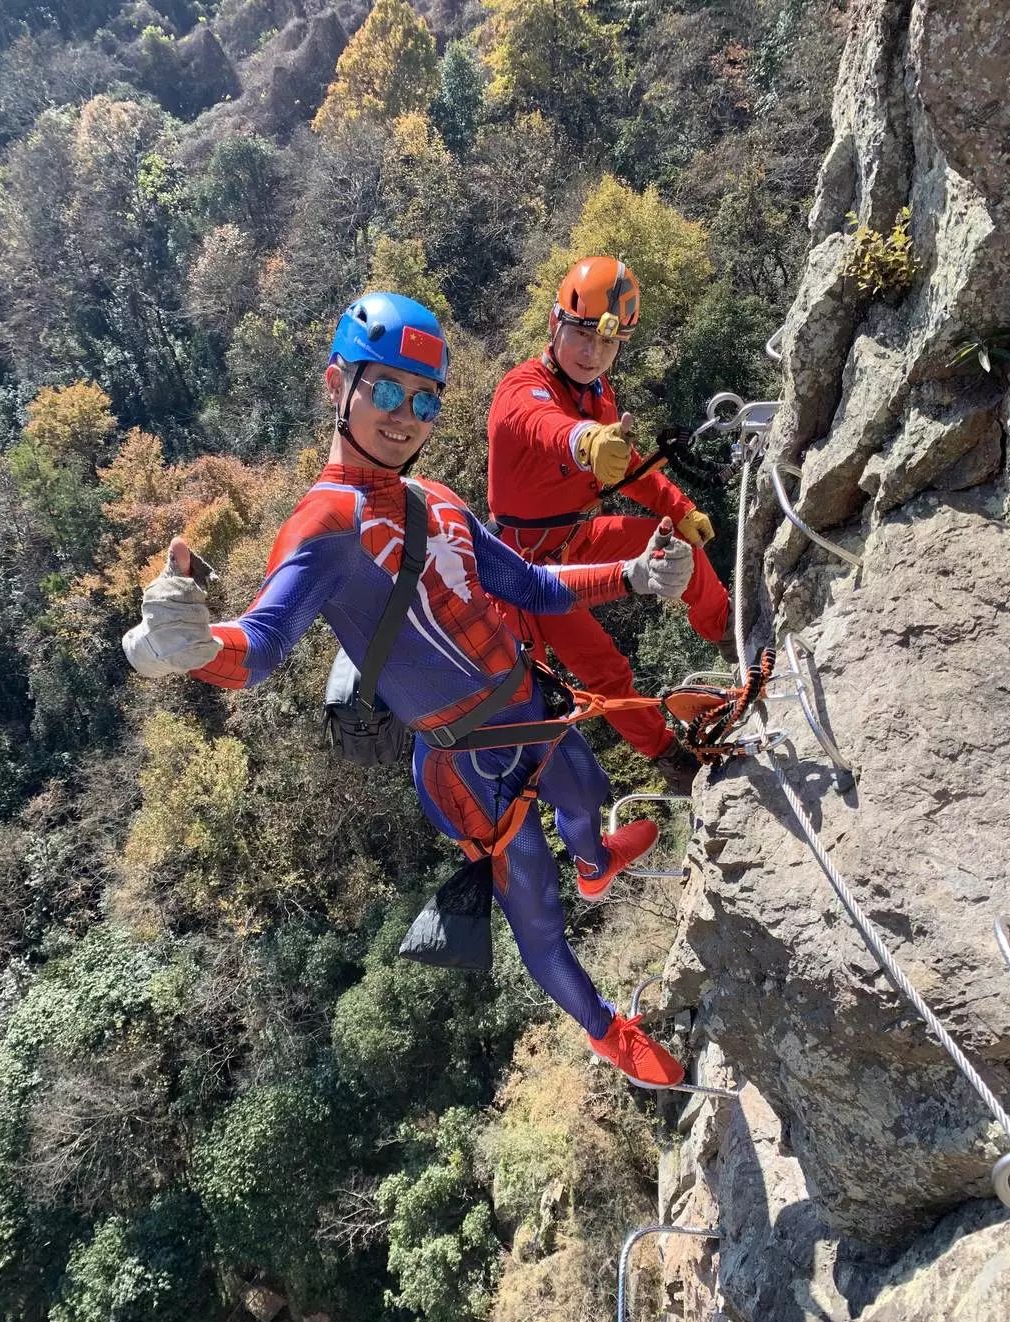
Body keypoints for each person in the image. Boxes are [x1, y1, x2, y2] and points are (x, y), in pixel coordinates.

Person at [123, 292, 689, 1087]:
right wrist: (192, 644)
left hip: (527, 707)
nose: (407, 414)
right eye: (386, 389)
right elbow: (259, 648)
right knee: (537, 912)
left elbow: (528, 584)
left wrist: (631, 575)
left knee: (588, 793)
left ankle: (596, 862)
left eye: (425, 399)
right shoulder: (326, 525)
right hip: (466, 764)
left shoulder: (439, 502)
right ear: (336, 385)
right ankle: (607, 1033)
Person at [486, 255, 731, 784]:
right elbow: (544, 426)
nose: (593, 353)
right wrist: (585, 440)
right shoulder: (521, 390)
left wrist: (679, 508)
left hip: (576, 537)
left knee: (675, 545)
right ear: (555, 324)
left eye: (608, 343)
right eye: (582, 335)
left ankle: (726, 629)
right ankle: (670, 756)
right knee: (604, 669)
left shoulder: (596, 393)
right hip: (528, 570)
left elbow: (628, 469)